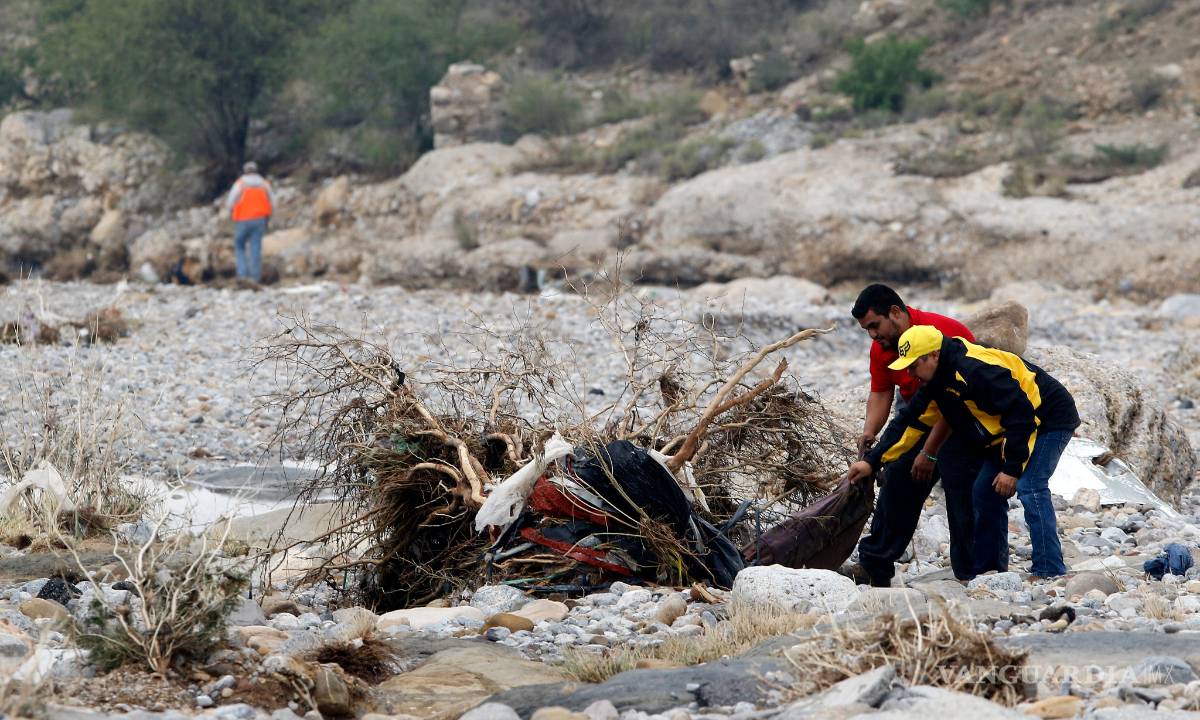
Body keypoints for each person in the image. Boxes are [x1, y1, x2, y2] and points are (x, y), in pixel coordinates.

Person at [848, 325, 1080, 579]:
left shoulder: (976, 370)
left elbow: (1022, 415)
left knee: (1030, 486)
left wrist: (1011, 469)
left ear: (934, 355)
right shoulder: (937, 380)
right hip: (1011, 427)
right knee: (984, 490)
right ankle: (991, 573)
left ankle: (1049, 569)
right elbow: (909, 422)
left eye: (914, 365)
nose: (910, 373)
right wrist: (872, 462)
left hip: (1048, 418)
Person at [848, 284, 986, 587]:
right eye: (866, 329)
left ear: (896, 313)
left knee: (959, 484)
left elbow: (954, 404)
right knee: (897, 478)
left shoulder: (946, 333)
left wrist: (930, 452)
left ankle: (973, 573)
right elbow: (882, 392)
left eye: (875, 325)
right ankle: (875, 566)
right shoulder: (882, 348)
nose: (872, 334)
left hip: (962, 412)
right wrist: (870, 433)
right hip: (917, 410)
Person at [224, 161, 274, 282]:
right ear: (256, 170)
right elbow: (272, 202)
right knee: (255, 248)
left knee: (240, 246)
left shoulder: (240, 184)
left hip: (243, 220)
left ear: (245, 171)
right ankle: (255, 278)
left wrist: (231, 214)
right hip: (260, 220)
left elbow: (230, 202)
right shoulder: (264, 184)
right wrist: (269, 218)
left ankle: (242, 275)